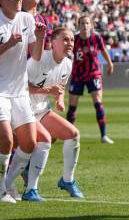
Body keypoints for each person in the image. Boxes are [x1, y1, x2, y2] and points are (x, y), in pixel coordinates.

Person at [22, 27, 84, 200]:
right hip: (22, 110)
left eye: (72, 40)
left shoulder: (68, 64)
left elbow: (60, 88)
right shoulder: (38, 59)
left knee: (73, 134)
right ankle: (30, 189)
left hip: (41, 110)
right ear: (53, 43)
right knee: (40, 142)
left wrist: (59, 100)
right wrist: (48, 90)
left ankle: (67, 180)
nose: (70, 43)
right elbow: (21, 87)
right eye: (65, 39)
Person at [0, 0, 46, 203]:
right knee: (7, 140)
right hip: (0, 91)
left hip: (19, 92)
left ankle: (7, 184)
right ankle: (0, 190)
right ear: (2, 0)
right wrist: (7, 44)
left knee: (29, 143)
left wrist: (41, 37)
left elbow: (35, 56)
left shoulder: (27, 19)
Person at [68, 15, 114, 144]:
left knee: (98, 103)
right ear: (78, 26)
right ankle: (69, 137)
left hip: (94, 74)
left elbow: (103, 51)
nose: (85, 26)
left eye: (87, 23)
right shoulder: (74, 40)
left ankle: (103, 135)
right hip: (77, 74)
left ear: (91, 25)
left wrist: (110, 63)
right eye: (82, 23)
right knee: (72, 107)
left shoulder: (96, 38)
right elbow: (66, 53)